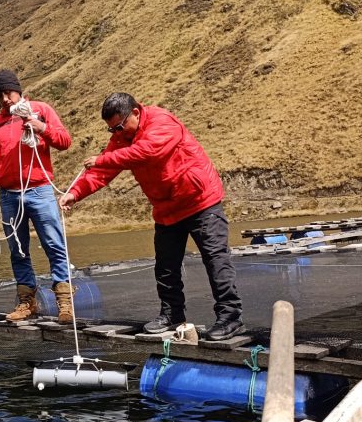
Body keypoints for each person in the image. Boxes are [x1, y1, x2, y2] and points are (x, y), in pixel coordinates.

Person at [58, 92, 244, 340]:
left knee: (215, 259)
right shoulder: (122, 137)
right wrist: (75, 193)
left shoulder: (162, 121)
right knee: (166, 267)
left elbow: (148, 151)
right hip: (166, 208)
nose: (117, 133)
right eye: (112, 130)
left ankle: (230, 317)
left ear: (135, 112)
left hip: (200, 201)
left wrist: (104, 158)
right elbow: (103, 171)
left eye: (119, 127)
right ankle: (172, 314)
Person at [0, 69, 75, 322]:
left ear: (18, 90)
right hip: (9, 196)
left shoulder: (40, 110)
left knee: (54, 245)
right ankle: (27, 303)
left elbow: (64, 141)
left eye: (8, 93)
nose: (5, 99)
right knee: (17, 251)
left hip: (40, 190)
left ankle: (65, 302)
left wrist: (41, 127)